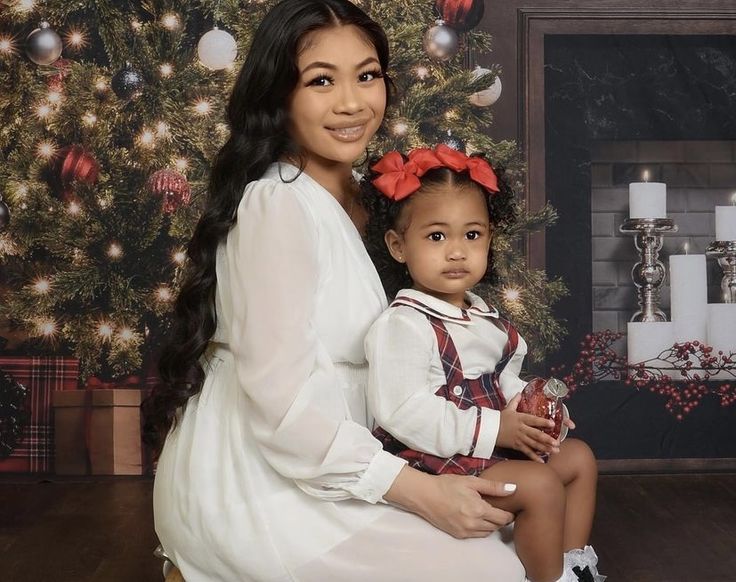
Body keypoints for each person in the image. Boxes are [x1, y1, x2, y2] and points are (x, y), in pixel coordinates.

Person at [143, 1, 527, 580]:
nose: (352, 103)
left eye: (367, 75)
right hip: (259, 480)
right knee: (491, 573)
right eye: (321, 81)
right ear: (278, 96)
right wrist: (422, 494)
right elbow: (284, 413)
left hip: (347, 457)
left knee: (514, 529)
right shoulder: (277, 206)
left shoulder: (374, 203)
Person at [361, 144, 605, 582]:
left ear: (490, 238)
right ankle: (545, 576)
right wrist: (494, 429)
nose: (457, 252)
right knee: (542, 485)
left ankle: (573, 564)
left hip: (488, 446)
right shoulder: (405, 324)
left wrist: (536, 413)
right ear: (399, 246)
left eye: (472, 235)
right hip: (432, 457)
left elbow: (503, 381)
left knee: (579, 459)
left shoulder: (483, 318)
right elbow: (401, 411)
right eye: (437, 236)